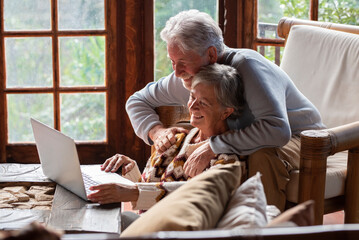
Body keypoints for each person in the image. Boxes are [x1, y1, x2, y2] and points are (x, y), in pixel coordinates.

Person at [125, 10, 325, 211]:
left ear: (211, 54)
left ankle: (262, 228)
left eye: (183, 62)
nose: (176, 72)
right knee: (184, 134)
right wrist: (156, 131)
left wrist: (214, 145)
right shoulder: (185, 77)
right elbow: (136, 101)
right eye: (172, 62)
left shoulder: (248, 67)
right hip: (254, 135)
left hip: (303, 138)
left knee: (261, 155)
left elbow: (278, 131)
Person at [87, 63, 245, 209]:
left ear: (226, 112)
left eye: (203, 102)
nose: (192, 106)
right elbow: (148, 195)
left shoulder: (229, 159)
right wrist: (130, 170)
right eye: (191, 97)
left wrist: (133, 191)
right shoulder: (176, 139)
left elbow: (202, 195)